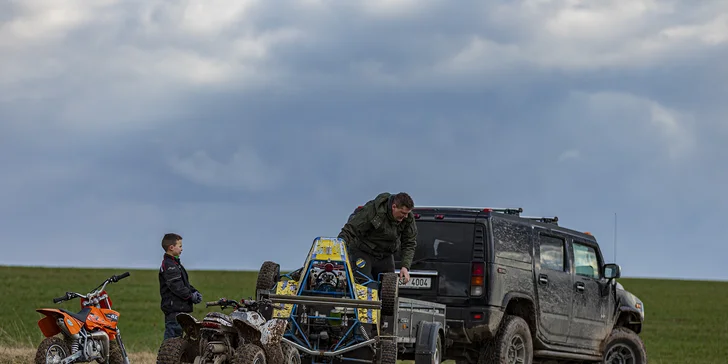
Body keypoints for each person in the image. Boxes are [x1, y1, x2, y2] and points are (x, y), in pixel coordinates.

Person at [338, 192, 417, 286]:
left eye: (407, 213)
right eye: (403, 213)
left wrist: (405, 267)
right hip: (363, 252)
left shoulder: (408, 219)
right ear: (394, 207)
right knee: (367, 287)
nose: (405, 216)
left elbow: (409, 242)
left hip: (385, 255)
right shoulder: (373, 210)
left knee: (389, 288)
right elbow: (350, 229)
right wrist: (339, 249)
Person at [158, 233, 202, 340]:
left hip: (180, 311)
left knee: (179, 343)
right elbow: (177, 286)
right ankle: (166, 357)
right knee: (171, 342)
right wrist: (191, 296)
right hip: (174, 312)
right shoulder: (169, 265)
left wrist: (194, 291)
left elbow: (184, 284)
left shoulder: (175, 264)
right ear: (171, 247)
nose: (182, 249)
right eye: (180, 246)